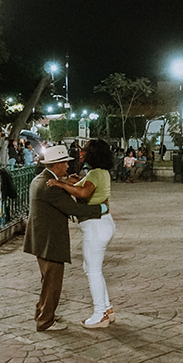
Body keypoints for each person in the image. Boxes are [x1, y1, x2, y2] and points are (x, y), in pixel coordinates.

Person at [23, 144, 106, 332]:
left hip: (40, 239)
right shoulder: (51, 187)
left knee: (47, 280)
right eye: (65, 163)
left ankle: (42, 313)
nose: (68, 166)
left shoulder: (39, 180)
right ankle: (45, 321)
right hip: (50, 241)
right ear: (57, 164)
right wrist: (101, 208)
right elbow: (74, 209)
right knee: (53, 282)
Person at [44, 139, 117, 328]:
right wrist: (72, 181)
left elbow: (84, 193)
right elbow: (84, 186)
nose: (82, 153)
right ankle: (107, 309)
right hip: (103, 223)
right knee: (92, 268)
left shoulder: (95, 173)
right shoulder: (102, 172)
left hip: (95, 226)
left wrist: (60, 185)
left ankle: (100, 314)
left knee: (93, 271)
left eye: (85, 151)